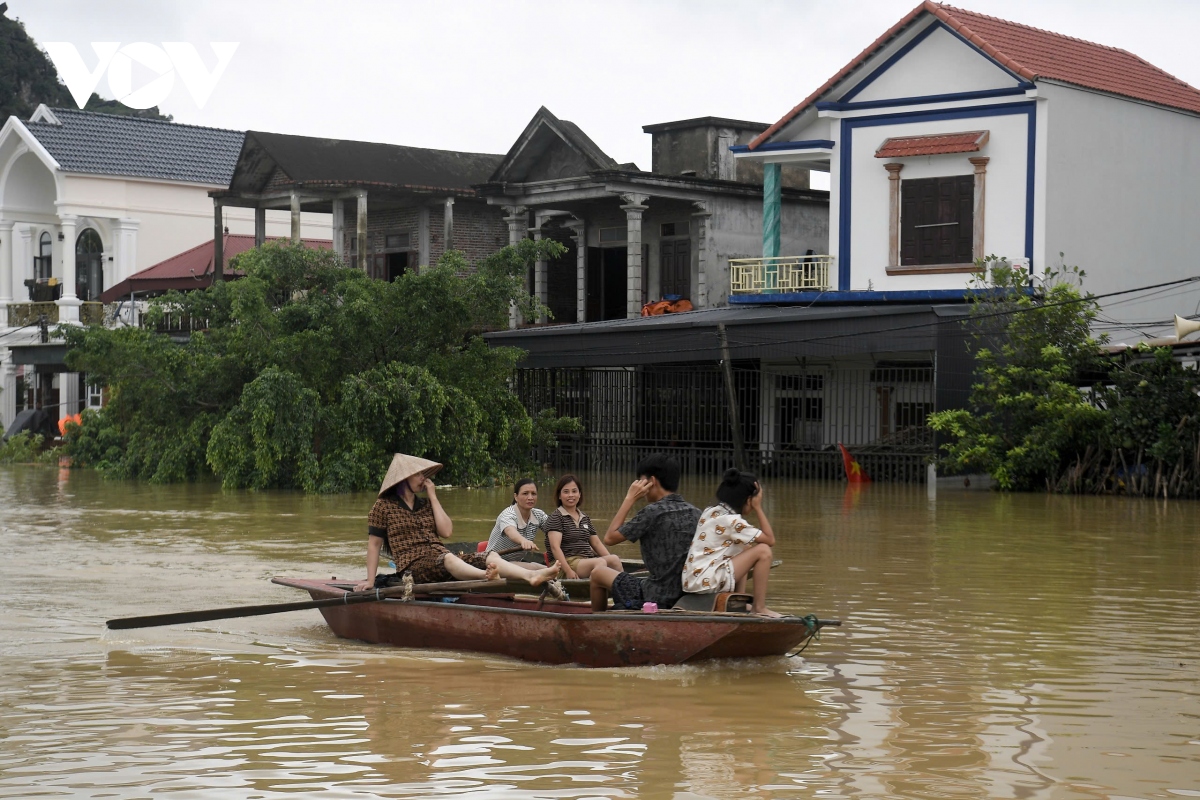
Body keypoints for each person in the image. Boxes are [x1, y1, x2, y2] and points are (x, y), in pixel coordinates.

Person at [354, 453, 559, 593]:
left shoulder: (425, 504)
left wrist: (433, 497)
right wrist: (370, 581)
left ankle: (530, 577)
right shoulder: (383, 506)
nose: (423, 478)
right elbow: (374, 545)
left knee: (490, 555)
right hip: (412, 567)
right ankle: (486, 578)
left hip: (439, 556)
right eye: (418, 474)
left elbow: (447, 532)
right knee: (450, 560)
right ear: (403, 478)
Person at [588, 454, 700, 612]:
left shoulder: (652, 512)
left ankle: (597, 621)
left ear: (651, 482)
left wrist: (629, 498)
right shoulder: (697, 513)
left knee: (598, 574)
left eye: (641, 481)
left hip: (654, 595)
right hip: (686, 593)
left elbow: (609, 537)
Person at [683, 468, 781, 618]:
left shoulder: (711, 511)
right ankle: (759, 607)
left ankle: (738, 599)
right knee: (763, 551)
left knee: (745, 547)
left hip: (693, 580)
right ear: (749, 500)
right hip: (706, 580)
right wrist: (758, 508)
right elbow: (770, 540)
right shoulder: (732, 522)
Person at [543, 475, 622, 579]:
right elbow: (555, 547)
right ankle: (596, 591)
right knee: (599, 562)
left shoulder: (584, 518)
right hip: (566, 563)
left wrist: (609, 559)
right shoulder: (556, 518)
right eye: (566, 492)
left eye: (574, 491)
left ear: (579, 494)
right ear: (559, 496)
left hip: (585, 560)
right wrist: (568, 571)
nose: (571, 495)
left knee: (614, 559)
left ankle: (623, 589)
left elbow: (597, 543)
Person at [485, 479, 547, 564]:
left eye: (533, 494)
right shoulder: (508, 514)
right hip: (493, 562)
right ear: (516, 497)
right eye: (525, 493)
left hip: (514, 563)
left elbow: (554, 529)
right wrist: (523, 541)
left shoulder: (539, 515)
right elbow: (510, 531)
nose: (530, 498)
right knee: (538, 568)